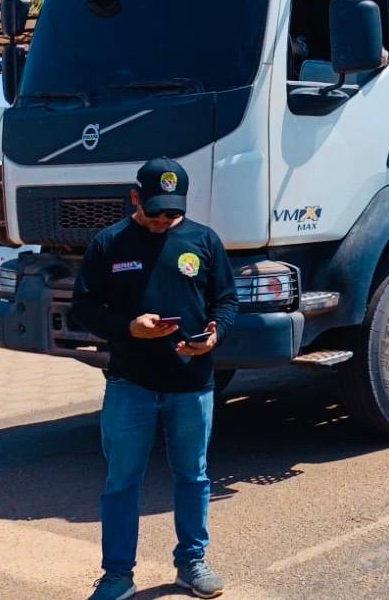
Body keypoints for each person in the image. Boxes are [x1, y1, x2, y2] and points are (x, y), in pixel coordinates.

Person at [71, 157, 238, 600]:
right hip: (131, 384)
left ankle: (191, 563)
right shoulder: (109, 244)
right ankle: (117, 576)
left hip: (192, 384)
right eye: (156, 210)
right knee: (122, 481)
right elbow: (83, 309)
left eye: (173, 211)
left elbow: (226, 300)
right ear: (134, 198)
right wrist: (129, 327)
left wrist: (214, 335)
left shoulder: (203, 240)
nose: (165, 219)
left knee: (192, 476)